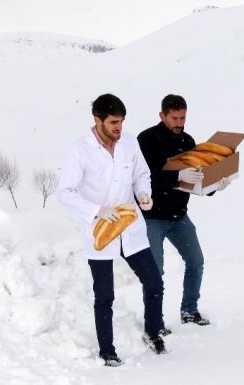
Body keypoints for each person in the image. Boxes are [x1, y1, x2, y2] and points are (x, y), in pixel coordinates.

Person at [57, 93, 167, 367]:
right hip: (100, 230)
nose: (119, 127)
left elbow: (142, 174)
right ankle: (107, 350)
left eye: (122, 122)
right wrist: (96, 211)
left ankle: (153, 334)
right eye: (114, 122)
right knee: (104, 295)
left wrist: (143, 193)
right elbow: (65, 193)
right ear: (98, 121)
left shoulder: (129, 142)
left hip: (130, 226)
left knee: (154, 283)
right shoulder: (78, 151)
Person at [137, 94, 230, 326]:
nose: (179, 123)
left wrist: (215, 184)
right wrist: (175, 176)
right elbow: (142, 177)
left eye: (183, 118)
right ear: (162, 115)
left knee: (196, 261)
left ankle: (189, 310)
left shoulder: (187, 142)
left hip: (179, 216)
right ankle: (155, 322)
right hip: (152, 217)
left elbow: (196, 182)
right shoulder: (146, 139)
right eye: (175, 118)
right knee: (155, 273)